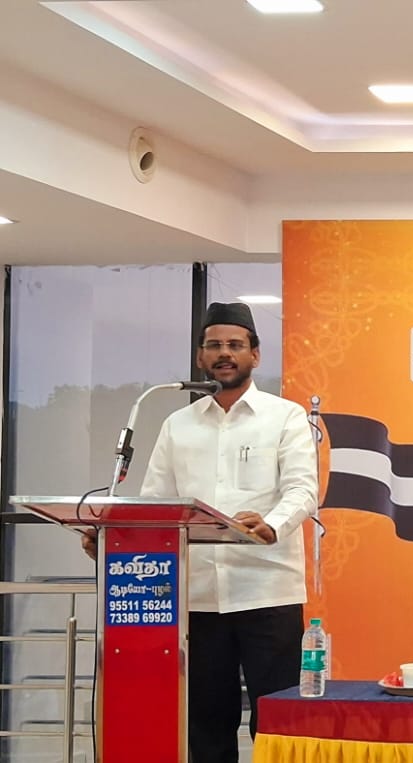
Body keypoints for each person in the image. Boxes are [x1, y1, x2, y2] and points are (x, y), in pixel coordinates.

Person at [82, 302, 317, 763]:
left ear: (255, 355)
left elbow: (302, 489)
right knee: (206, 724)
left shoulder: (285, 417)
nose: (224, 353)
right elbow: (154, 505)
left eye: (235, 345)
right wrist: (114, 544)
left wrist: (272, 524)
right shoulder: (178, 425)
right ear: (200, 357)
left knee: (278, 722)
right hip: (197, 598)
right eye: (214, 345)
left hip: (267, 593)